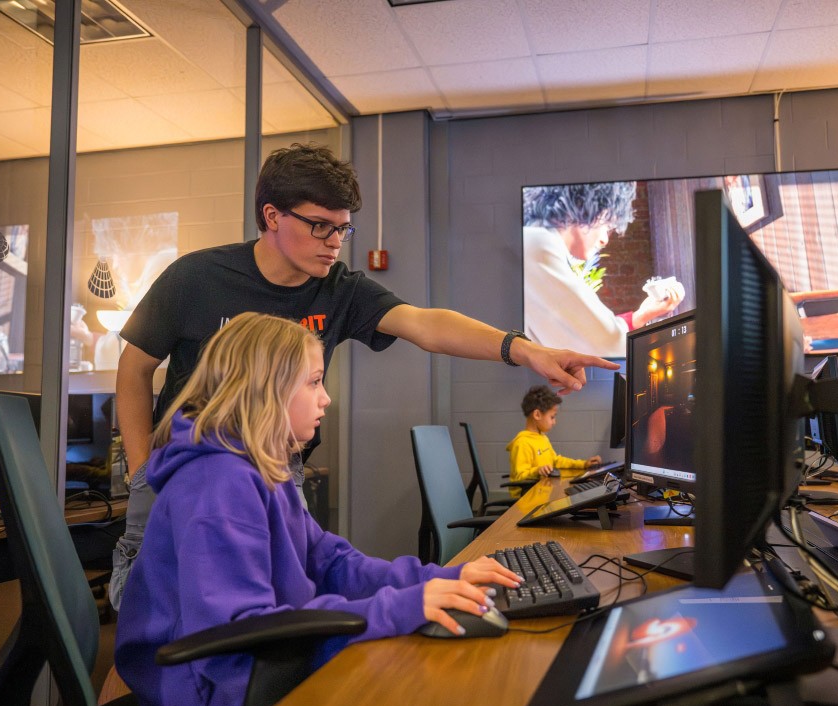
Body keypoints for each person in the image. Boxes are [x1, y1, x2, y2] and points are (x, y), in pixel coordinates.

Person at [109, 143, 618, 609]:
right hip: (186, 478)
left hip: (276, 473)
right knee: (160, 616)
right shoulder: (197, 277)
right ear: (271, 216)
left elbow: (425, 324)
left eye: (343, 228)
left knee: (270, 599)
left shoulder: (338, 288)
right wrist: (141, 474)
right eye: (320, 226)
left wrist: (525, 350)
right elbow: (135, 370)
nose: (335, 242)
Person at [114, 313, 523, 706]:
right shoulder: (217, 483)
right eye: (313, 382)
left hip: (261, 661)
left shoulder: (261, 467)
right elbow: (238, 632)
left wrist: (439, 580)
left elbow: (331, 561)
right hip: (209, 693)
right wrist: (398, 608)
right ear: (264, 390)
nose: (326, 398)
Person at [522, 182, 685, 359]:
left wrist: (640, 316)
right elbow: (606, 345)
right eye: (607, 226)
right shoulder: (539, 245)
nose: (604, 240)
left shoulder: (534, 241)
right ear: (584, 206)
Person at [506, 385, 602, 497]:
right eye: (552, 417)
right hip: (525, 498)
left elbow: (556, 461)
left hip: (541, 491)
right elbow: (519, 476)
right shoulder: (522, 443)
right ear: (537, 414)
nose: (554, 422)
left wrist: (584, 464)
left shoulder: (542, 438)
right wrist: (537, 471)